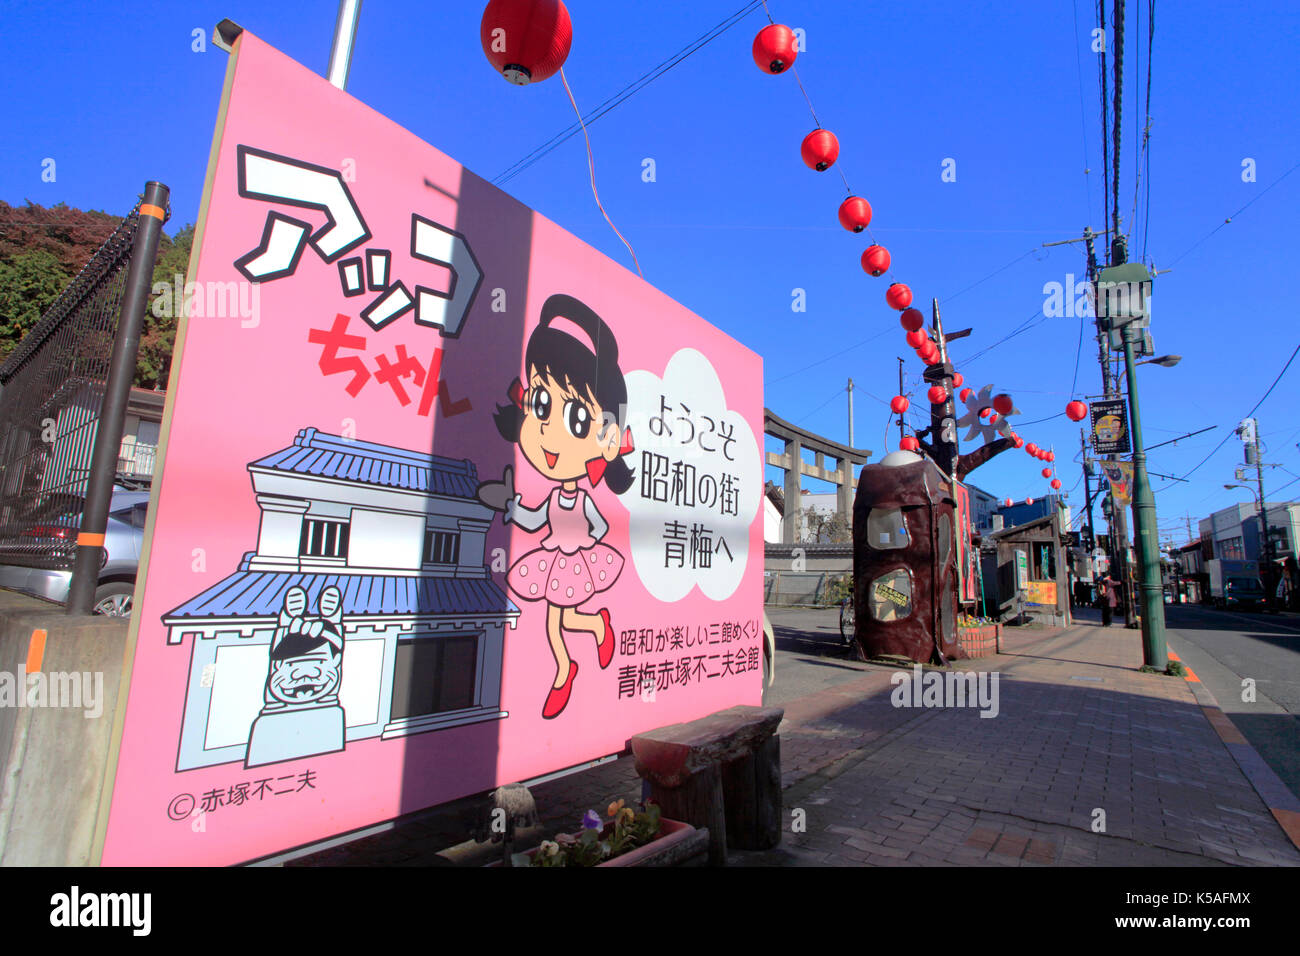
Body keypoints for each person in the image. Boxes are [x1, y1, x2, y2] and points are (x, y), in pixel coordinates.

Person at [477, 294, 635, 720]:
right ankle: (588, 639)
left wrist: (584, 542)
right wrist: (511, 508)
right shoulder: (555, 496)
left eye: (578, 421)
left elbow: (601, 526)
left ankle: (567, 667)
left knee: (556, 622)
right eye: (541, 405)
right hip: (555, 560)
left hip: (573, 560)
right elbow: (534, 519)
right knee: (558, 621)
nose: (547, 432)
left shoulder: (581, 498)